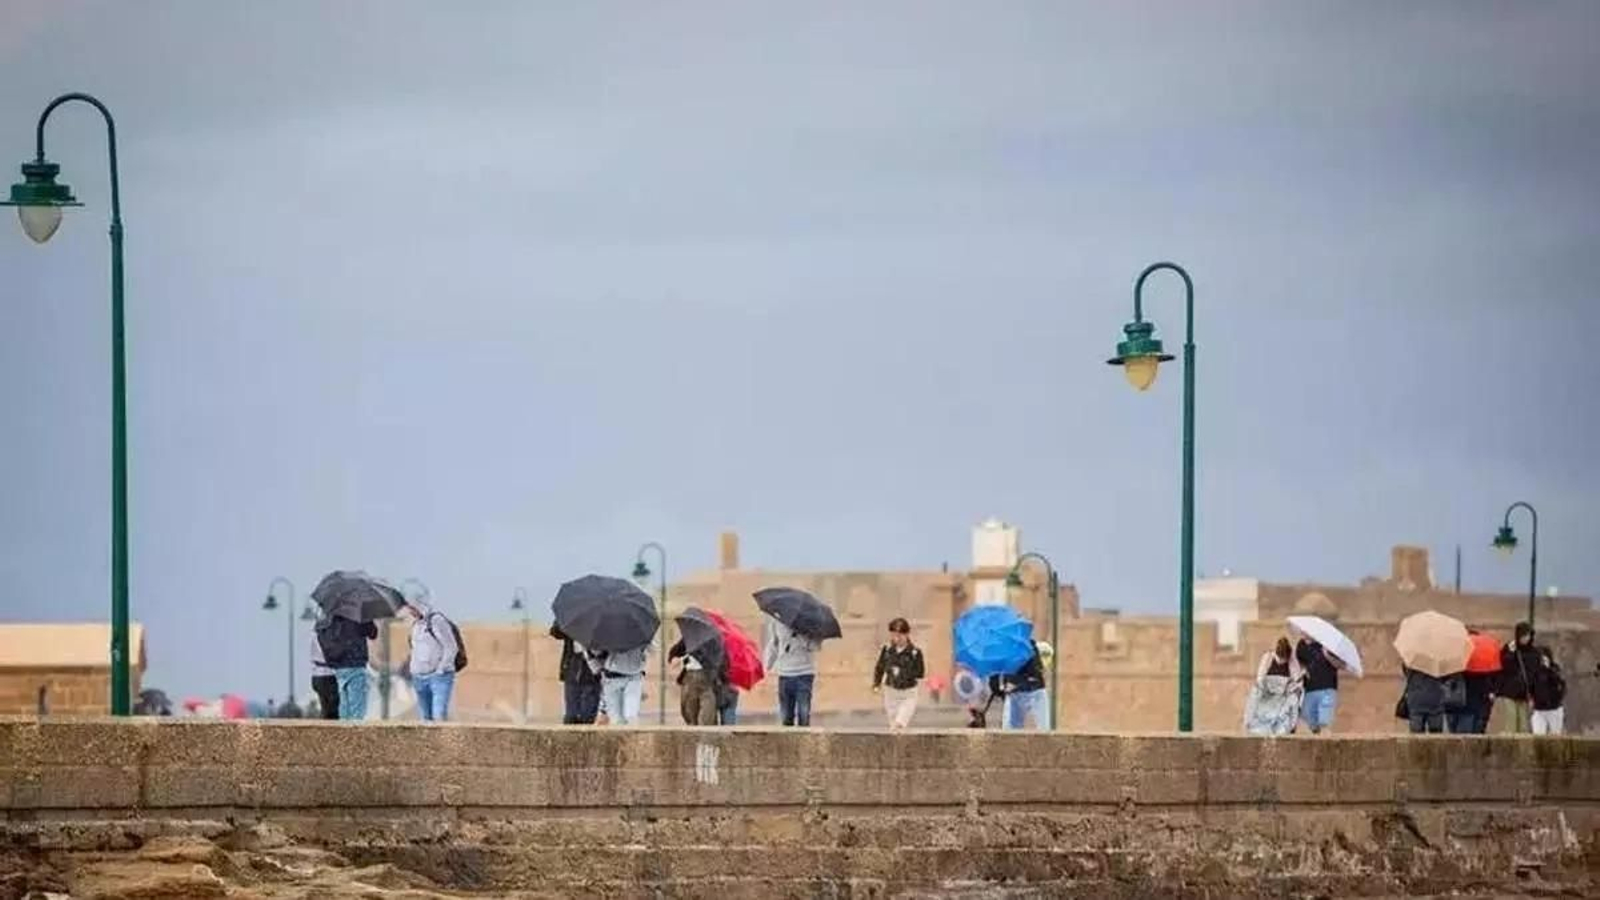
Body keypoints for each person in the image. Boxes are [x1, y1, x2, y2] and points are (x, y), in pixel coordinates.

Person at [400, 597, 460, 722]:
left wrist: (441, 668)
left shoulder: (437, 621)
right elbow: (415, 650)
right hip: (419, 677)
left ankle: (439, 741)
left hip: (439, 676)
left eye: (413, 608)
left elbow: (451, 647)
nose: (411, 611)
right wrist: (413, 670)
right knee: (425, 718)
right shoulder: (415, 625)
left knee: (438, 715)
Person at [317, 613, 378, 721]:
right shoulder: (358, 614)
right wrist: (368, 618)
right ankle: (355, 736)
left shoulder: (331, 616)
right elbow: (373, 633)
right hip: (356, 663)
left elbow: (321, 633)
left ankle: (344, 734)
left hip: (339, 665)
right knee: (357, 709)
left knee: (344, 705)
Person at [763, 615, 821, 727]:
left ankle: (803, 743)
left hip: (804, 673)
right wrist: (767, 665)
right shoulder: (777, 622)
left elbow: (816, 647)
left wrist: (803, 636)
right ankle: (787, 743)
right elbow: (774, 645)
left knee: (803, 714)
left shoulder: (809, 624)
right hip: (785, 674)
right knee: (786, 716)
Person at [872, 617, 925, 729]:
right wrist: (876, 684)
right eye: (893, 635)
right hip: (891, 691)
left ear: (907, 634)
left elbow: (920, 673)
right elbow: (880, 667)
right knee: (893, 725)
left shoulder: (915, 653)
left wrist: (903, 671)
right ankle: (899, 746)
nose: (896, 638)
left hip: (908, 692)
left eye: (900, 635)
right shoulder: (887, 650)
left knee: (899, 723)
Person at [1243, 638, 1303, 736]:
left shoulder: (1292, 661)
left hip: (1284, 697)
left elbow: (1297, 684)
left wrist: (1292, 689)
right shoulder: (1267, 658)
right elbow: (1260, 679)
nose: (1281, 662)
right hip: (1268, 695)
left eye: (1284, 660)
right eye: (1280, 659)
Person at [1494, 622, 1542, 734]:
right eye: (1524, 635)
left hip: (1525, 693)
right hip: (1510, 692)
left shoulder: (1534, 653)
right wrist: (1510, 653)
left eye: (1528, 635)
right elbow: (1504, 667)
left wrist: (1535, 694)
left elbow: (1536, 674)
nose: (1526, 638)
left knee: (1524, 726)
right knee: (1510, 723)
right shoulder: (1510, 649)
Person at [990, 640, 1048, 731]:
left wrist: (1015, 683)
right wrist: (1000, 689)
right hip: (1016, 693)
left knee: (1043, 728)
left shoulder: (1027, 646)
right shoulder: (999, 652)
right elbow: (994, 681)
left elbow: (1034, 672)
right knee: (1010, 730)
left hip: (1033, 691)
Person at [667, 635, 724, 726]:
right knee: (689, 712)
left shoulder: (715, 641)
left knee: (707, 715)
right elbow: (675, 652)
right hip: (690, 677)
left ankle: (704, 734)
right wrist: (674, 658)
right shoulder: (689, 638)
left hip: (707, 678)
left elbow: (719, 660)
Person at [550, 624, 601, 725]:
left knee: (587, 715)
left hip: (592, 671)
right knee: (571, 715)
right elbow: (555, 632)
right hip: (572, 669)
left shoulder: (599, 614)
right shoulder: (571, 614)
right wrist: (570, 626)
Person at [592, 643, 648, 725]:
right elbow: (596, 652)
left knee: (630, 716)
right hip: (612, 677)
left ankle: (631, 735)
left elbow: (650, 649)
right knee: (616, 719)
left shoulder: (639, 634)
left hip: (633, 677)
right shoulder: (606, 633)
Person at [1295, 635, 1340, 734]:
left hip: (1327, 687)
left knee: (1324, 723)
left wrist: (1327, 655)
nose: (1303, 633)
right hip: (1310, 688)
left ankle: (1325, 740)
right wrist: (1303, 671)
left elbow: (1340, 665)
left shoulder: (1329, 642)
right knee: (1309, 722)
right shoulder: (1301, 644)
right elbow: (1300, 663)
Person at [1402, 666, 1458, 734]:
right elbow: (1447, 677)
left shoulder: (1413, 661)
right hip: (1435, 703)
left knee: (1416, 738)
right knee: (1436, 738)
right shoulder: (1437, 662)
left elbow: (1406, 672)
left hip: (1416, 702)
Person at [1529, 646, 1567, 735]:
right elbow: (1530, 687)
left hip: (1554, 710)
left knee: (1555, 737)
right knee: (1538, 736)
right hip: (1539, 710)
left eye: (1544, 658)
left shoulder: (1555, 669)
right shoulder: (1534, 672)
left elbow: (1561, 686)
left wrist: (1548, 670)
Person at [308, 621, 340, 720]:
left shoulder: (313, 636)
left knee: (325, 707)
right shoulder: (326, 638)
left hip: (316, 675)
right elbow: (333, 655)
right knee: (332, 711)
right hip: (328, 675)